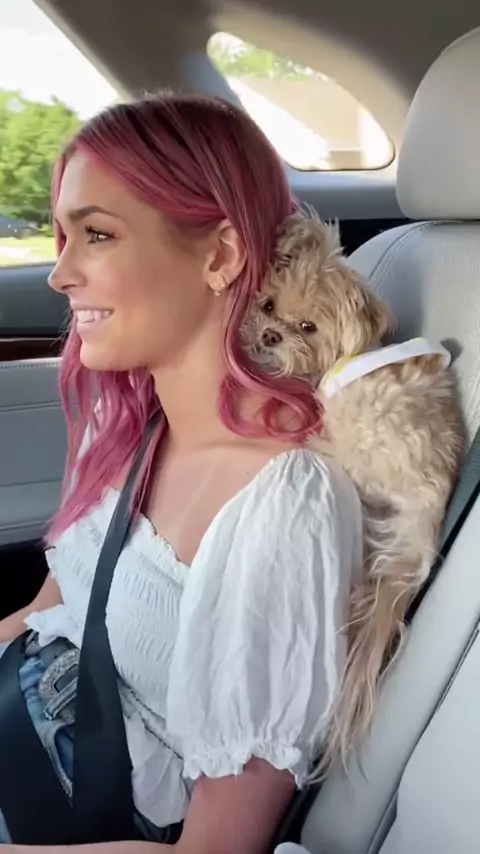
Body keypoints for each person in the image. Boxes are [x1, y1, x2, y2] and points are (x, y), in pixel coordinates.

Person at [0, 92, 362, 854]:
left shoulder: (282, 504)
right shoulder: (129, 426)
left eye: (97, 235)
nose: (59, 274)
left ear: (221, 255)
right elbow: (43, 617)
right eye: (62, 237)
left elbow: (214, 849)